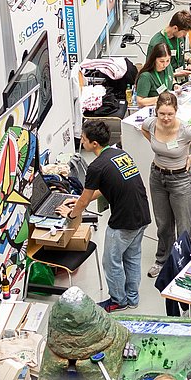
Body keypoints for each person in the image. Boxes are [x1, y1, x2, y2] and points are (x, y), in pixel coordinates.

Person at [58, 120, 149, 312]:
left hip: (123, 222)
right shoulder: (120, 154)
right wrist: (80, 200)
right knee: (132, 258)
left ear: (94, 144)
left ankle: (118, 300)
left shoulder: (96, 166)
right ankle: (132, 299)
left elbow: (85, 201)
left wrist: (72, 213)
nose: (82, 143)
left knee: (111, 261)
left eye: (83, 139)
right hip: (141, 215)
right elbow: (106, 187)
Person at [140, 91, 191, 277]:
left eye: (170, 114)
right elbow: (144, 129)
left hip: (181, 181)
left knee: (185, 227)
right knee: (163, 224)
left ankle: (187, 263)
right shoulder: (151, 124)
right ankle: (162, 260)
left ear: (176, 111)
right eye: (162, 114)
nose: (166, 118)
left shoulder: (185, 130)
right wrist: (158, 147)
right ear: (156, 112)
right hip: (157, 177)